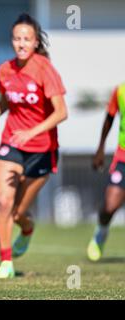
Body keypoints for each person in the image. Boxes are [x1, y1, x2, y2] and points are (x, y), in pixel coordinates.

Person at [0, 13, 68, 278]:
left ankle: (27, 228)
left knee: (20, 212)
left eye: (27, 39)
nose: (21, 43)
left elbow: (61, 112)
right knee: (3, 201)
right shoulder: (5, 69)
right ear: (12, 41)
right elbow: (4, 103)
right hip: (12, 143)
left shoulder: (45, 69)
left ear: (35, 43)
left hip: (42, 149)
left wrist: (32, 132)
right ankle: (6, 262)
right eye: (17, 38)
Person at [87, 83, 125, 261]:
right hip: (123, 158)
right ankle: (100, 233)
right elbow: (109, 117)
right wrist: (101, 147)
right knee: (110, 206)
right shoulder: (120, 91)